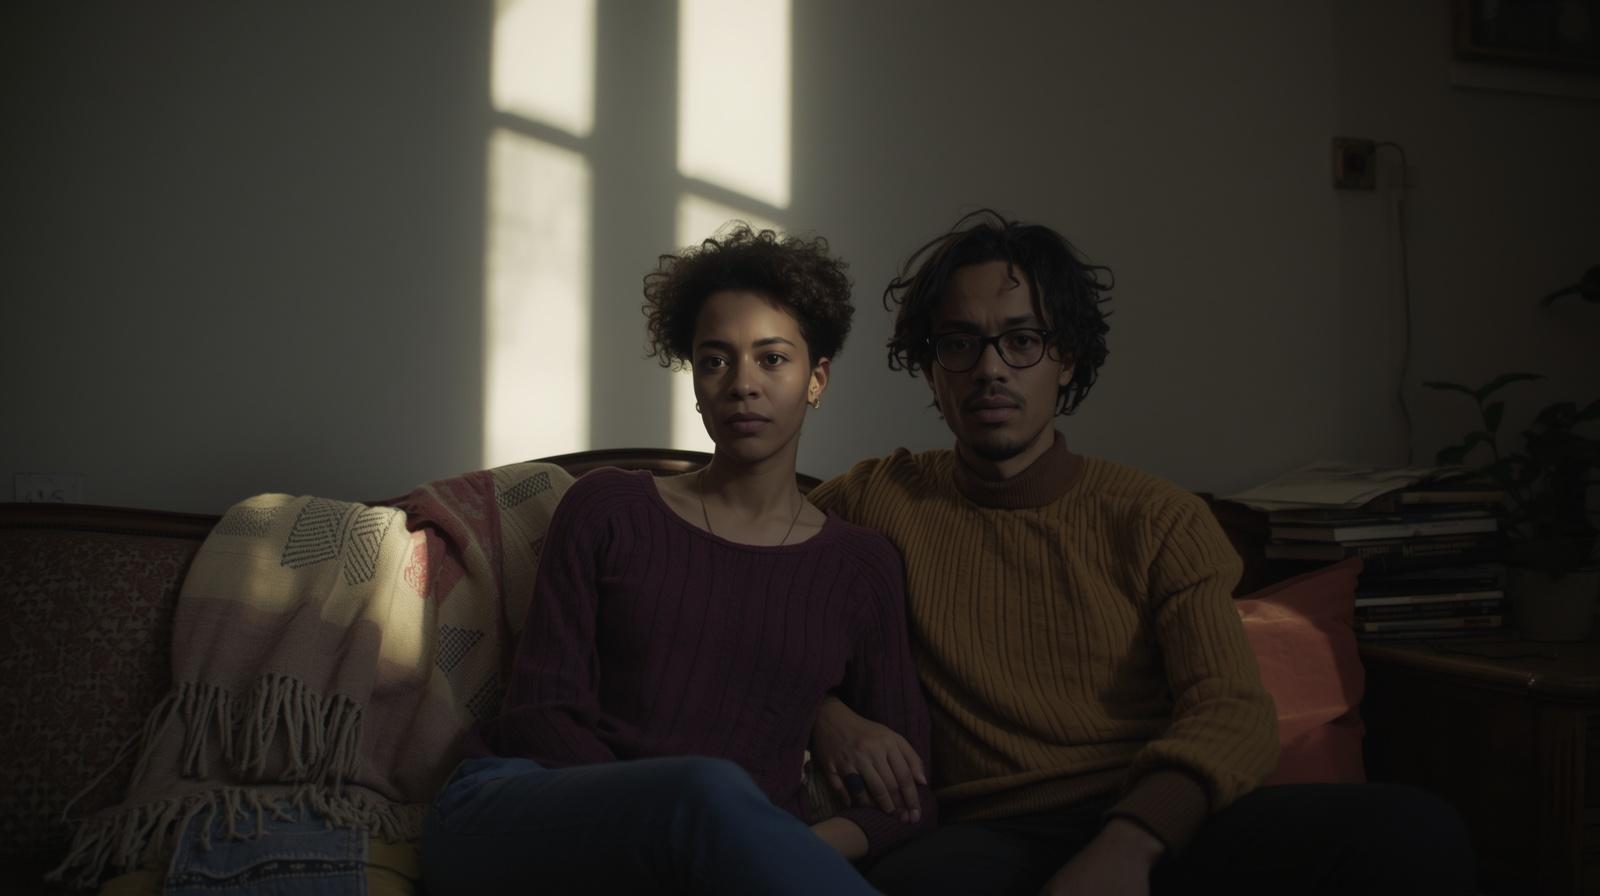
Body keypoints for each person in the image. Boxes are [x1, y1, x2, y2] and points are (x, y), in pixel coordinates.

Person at [805, 210, 1475, 895]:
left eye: (1023, 340)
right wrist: (826, 715)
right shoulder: (875, 499)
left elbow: (1231, 708)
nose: (990, 369)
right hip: (983, 832)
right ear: (930, 371)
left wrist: (1133, 842)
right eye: (959, 344)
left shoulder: (1156, 518)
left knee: (1412, 828)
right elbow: (733, 589)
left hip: (1157, 815)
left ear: (1066, 360)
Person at [420, 225, 935, 895]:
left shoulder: (860, 566)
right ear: (694, 381)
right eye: (716, 360)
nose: (742, 384)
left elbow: (912, 795)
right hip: (522, 809)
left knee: (710, 799)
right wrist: (689, 820)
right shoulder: (609, 509)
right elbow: (542, 718)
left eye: (772, 359)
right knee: (704, 787)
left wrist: (762, 843)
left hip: (711, 855)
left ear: (817, 379)